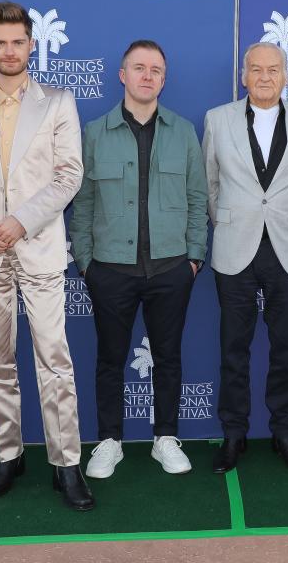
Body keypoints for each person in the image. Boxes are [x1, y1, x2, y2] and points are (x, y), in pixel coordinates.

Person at [0, 1, 92, 509]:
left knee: (55, 360)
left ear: (33, 45)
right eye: (0, 42)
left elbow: (68, 175)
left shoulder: (58, 102)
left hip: (40, 248)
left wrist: (19, 221)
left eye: (18, 42)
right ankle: (9, 454)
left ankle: (66, 462)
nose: (10, 51)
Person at [70, 40, 208, 479]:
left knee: (168, 356)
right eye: (139, 68)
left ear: (164, 79)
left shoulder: (184, 131)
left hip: (171, 268)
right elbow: (83, 203)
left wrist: (193, 259)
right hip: (109, 269)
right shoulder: (94, 132)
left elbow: (197, 197)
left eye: (156, 70)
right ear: (122, 75)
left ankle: (165, 437)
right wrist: (86, 262)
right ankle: (109, 441)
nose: (148, 76)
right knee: (109, 358)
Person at [203, 42, 288, 474]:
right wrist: (233, 222)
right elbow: (209, 186)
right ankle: (233, 434)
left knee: (286, 349)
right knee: (233, 348)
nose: (265, 77)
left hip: (287, 249)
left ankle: (284, 433)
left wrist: (285, 220)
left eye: (274, 69)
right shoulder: (218, 119)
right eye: (256, 69)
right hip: (234, 249)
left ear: (286, 75)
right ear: (243, 75)